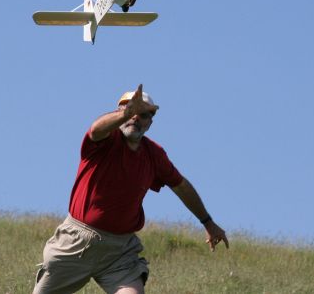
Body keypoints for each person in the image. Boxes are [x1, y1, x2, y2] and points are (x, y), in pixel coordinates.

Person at [32, 84, 228, 294]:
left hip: (120, 252)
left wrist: (207, 222)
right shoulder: (104, 140)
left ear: (150, 122)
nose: (135, 118)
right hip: (76, 242)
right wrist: (126, 112)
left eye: (142, 114)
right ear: (119, 113)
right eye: (129, 112)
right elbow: (96, 128)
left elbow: (180, 186)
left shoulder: (154, 154)